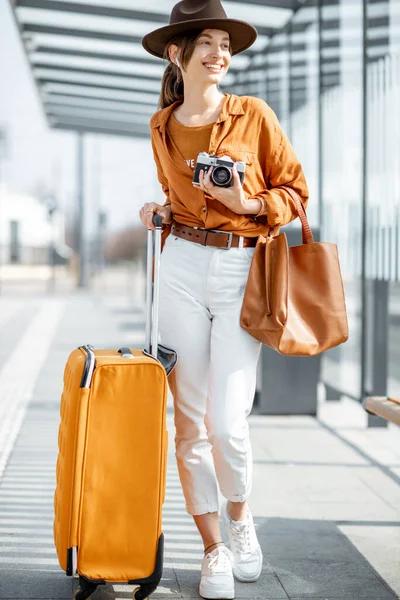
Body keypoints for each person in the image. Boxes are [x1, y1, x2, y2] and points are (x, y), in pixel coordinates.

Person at [140, 1, 309, 598]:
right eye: (206, 43)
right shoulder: (161, 125)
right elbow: (174, 193)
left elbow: (297, 190)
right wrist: (157, 209)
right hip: (181, 265)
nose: (219, 54)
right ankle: (212, 547)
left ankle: (241, 521)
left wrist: (249, 205)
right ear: (176, 54)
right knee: (188, 423)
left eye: (225, 44)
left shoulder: (254, 115)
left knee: (227, 422)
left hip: (242, 268)